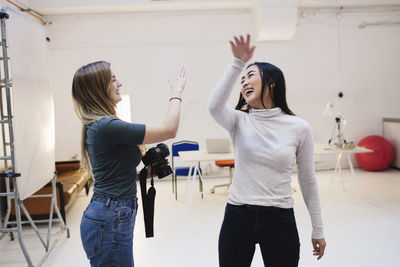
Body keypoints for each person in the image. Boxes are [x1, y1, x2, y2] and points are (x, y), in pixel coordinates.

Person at [208, 34, 326, 267]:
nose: (244, 83)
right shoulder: (238, 121)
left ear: (272, 82)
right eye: (242, 80)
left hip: (280, 218)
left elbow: (308, 180)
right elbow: (213, 106)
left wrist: (318, 228)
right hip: (238, 216)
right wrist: (237, 63)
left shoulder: (299, 127)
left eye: (250, 76)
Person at [72, 61, 186, 267]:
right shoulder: (106, 126)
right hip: (110, 215)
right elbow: (169, 129)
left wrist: (145, 174)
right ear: (98, 88)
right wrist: (177, 92)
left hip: (109, 213)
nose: (120, 84)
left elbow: (113, 175)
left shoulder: (100, 125)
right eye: (113, 79)